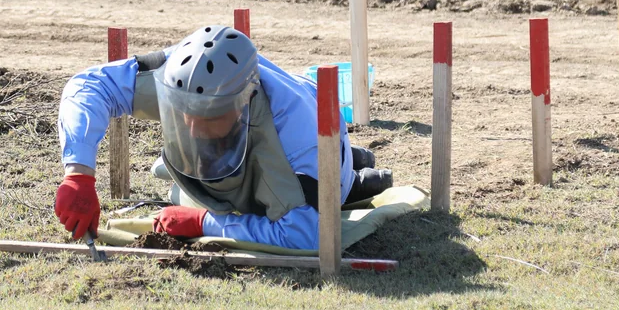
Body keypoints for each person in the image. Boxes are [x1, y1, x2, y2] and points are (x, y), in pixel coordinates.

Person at [53, 25, 393, 250]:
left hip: (322, 129)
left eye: (208, 116)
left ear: (244, 101)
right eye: (182, 111)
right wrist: (79, 174)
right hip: (261, 140)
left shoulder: (295, 137)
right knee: (173, 172)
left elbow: (306, 235)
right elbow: (87, 86)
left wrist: (205, 222)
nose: (191, 127)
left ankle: (353, 172)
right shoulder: (180, 73)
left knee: (327, 186)